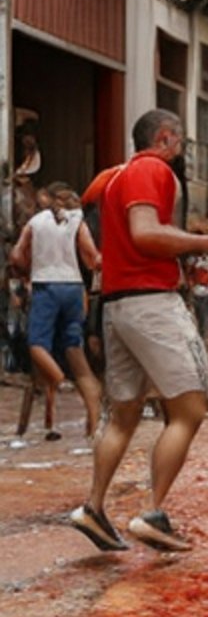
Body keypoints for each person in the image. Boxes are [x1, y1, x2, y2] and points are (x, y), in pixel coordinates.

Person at [69, 109, 208, 551]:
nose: (182, 150)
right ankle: (154, 513)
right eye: (181, 142)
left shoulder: (115, 179)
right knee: (190, 410)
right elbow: (146, 234)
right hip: (152, 303)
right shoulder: (152, 169)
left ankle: (93, 508)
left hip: (117, 307)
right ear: (165, 138)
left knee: (123, 415)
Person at [8, 182, 102, 437]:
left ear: (47, 199)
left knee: (37, 343)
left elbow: (16, 256)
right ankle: (93, 425)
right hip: (74, 290)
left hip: (46, 287)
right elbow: (93, 258)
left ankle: (60, 382)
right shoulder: (78, 221)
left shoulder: (37, 222)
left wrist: (28, 268)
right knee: (74, 348)